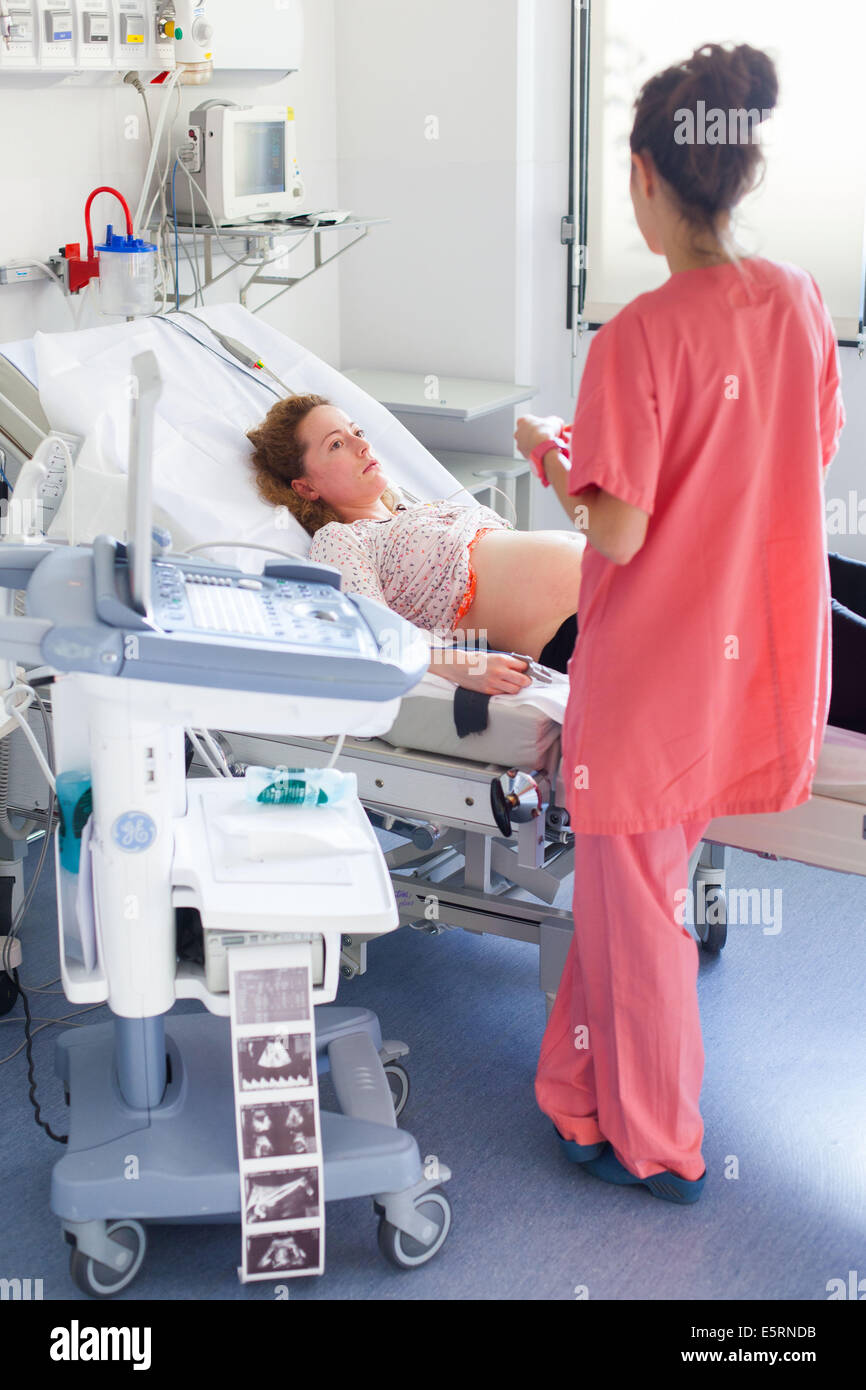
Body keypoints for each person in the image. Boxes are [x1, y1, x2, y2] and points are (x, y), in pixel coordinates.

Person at [512, 41, 845, 1204]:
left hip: (650, 676)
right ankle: (576, 1091)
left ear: (649, 178)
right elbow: (803, 455)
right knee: (627, 890)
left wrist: (554, 456)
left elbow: (612, 534)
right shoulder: (797, 300)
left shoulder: (636, 339)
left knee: (638, 907)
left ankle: (657, 1139)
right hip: (744, 663)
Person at [246, 397, 586, 693]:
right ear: (305, 488)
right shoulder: (342, 538)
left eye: (357, 433)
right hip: (579, 627)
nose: (362, 446)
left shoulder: (423, 509)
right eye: (336, 444)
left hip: (615, 584)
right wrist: (454, 665)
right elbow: (370, 628)